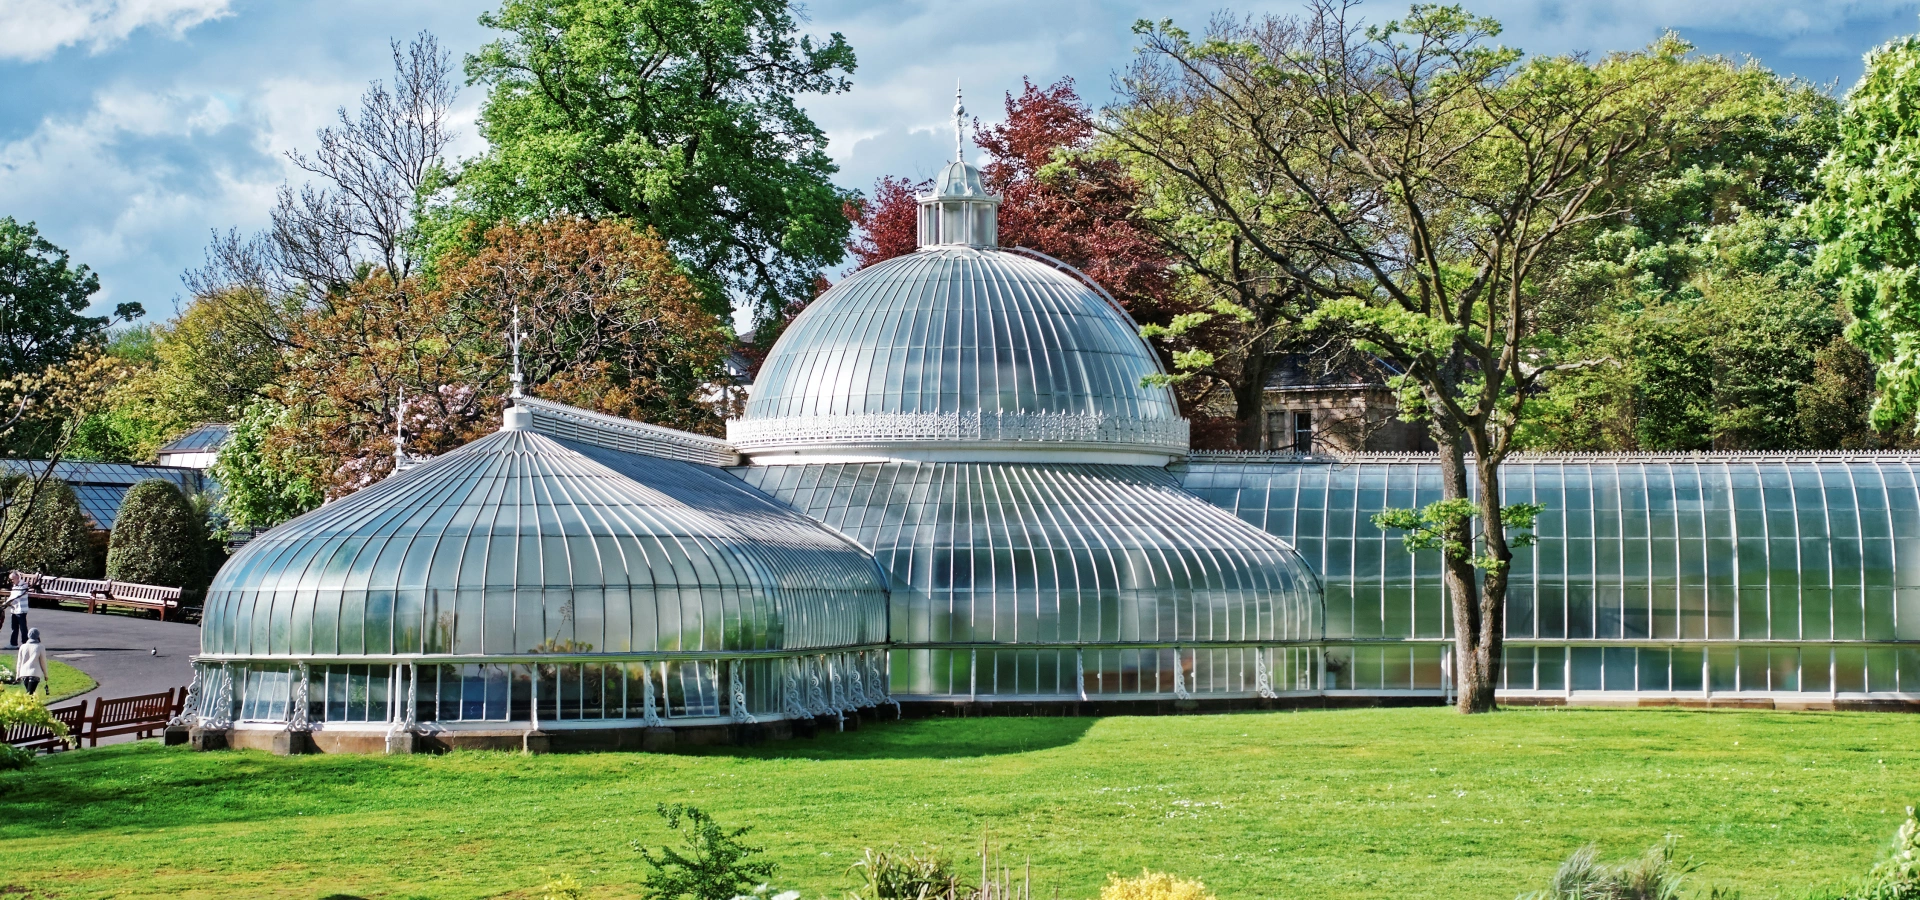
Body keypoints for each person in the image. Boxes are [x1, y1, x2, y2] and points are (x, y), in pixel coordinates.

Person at [15, 628, 45, 697]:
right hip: (35, 674)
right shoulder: (40, 646)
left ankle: (30, 706)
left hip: (24, 674)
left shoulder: (23, 646)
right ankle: (30, 706)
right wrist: (46, 675)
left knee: (29, 693)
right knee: (30, 694)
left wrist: (18, 675)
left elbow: (19, 662)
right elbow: (43, 662)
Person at [5, 571, 26, 649]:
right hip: (14, 610)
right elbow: (12, 596)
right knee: (14, 627)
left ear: (17, 578)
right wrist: (7, 603)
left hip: (21, 610)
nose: (12, 581)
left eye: (12, 579)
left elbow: (17, 596)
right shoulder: (14, 586)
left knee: (23, 627)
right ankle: (13, 643)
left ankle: (25, 643)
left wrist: (7, 602)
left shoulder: (23, 586)